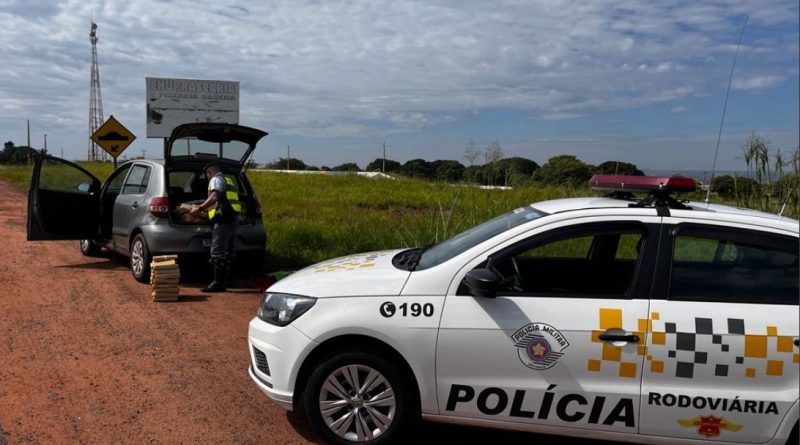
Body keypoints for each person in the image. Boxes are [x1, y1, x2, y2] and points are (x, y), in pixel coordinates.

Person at [189, 163, 241, 292]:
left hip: (222, 219)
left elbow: (214, 197)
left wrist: (200, 208)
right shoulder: (228, 180)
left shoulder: (215, 179)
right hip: (232, 218)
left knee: (217, 251)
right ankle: (228, 280)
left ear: (209, 173)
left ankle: (218, 283)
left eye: (207, 176)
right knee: (228, 250)